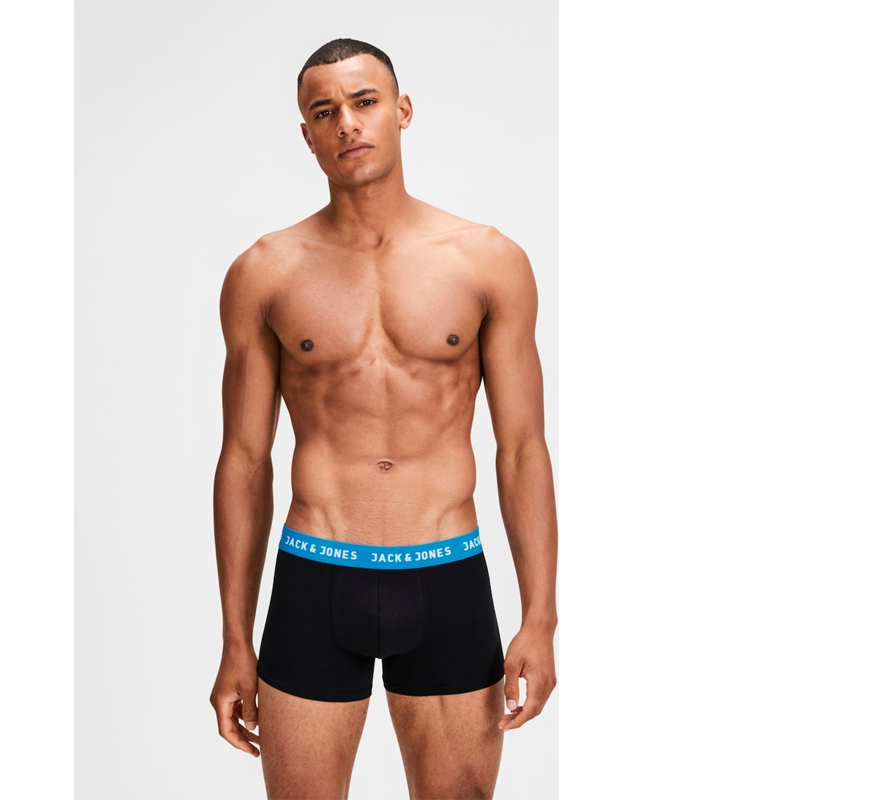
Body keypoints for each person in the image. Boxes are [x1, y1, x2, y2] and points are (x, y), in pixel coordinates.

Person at [209, 37, 558, 799]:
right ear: (307, 133)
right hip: (315, 575)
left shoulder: (488, 260)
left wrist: (541, 617)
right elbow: (244, 458)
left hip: (447, 573)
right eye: (323, 111)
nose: (346, 123)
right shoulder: (264, 272)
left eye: (364, 102)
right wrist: (236, 638)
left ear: (402, 110)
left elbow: (522, 448)